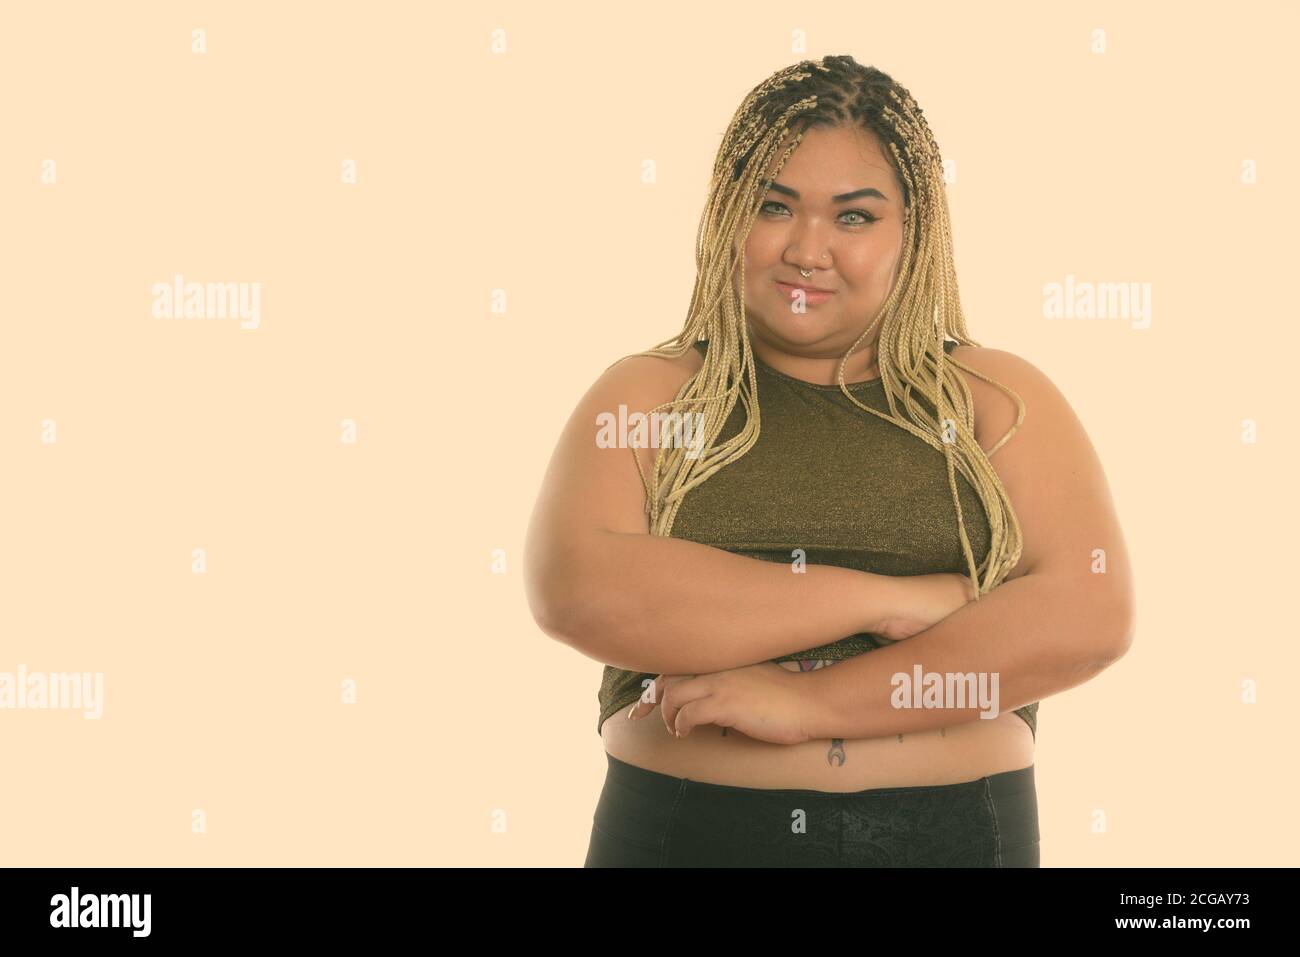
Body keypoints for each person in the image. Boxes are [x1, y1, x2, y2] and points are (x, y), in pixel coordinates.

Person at [523, 55, 1135, 867]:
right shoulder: (657, 395)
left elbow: (1085, 616)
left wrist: (808, 702)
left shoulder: (994, 398)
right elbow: (581, 588)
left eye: (854, 217)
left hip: (951, 840)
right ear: (726, 216)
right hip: (684, 836)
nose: (807, 250)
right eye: (774, 206)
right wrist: (889, 600)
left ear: (913, 232)